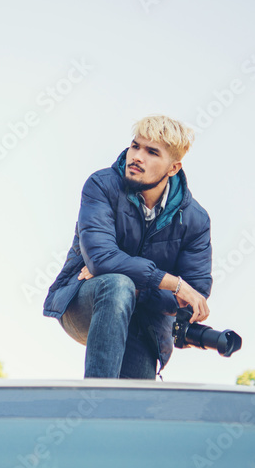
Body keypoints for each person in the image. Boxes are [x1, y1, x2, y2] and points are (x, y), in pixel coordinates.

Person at [43, 115, 213, 379]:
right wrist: (171, 283)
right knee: (117, 285)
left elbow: (195, 294)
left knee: (131, 407)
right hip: (84, 300)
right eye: (136, 146)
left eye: (152, 152)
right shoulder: (102, 185)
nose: (137, 157)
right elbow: (102, 258)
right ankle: (97, 392)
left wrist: (140, 289)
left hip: (145, 321)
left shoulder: (195, 219)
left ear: (173, 168)